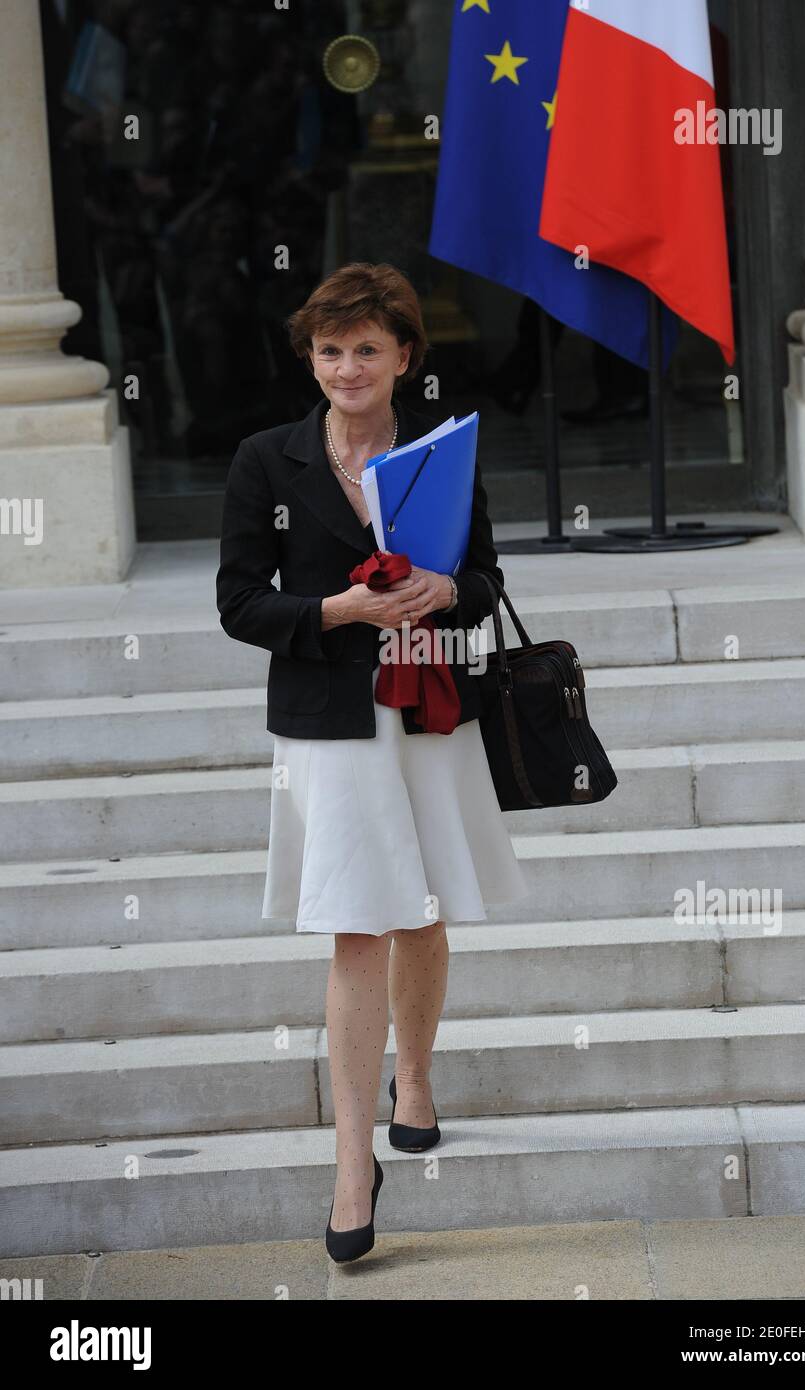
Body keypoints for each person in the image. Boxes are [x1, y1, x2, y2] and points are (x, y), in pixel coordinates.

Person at [216, 261, 528, 1262]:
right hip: (328, 720)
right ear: (309, 358)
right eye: (327, 349)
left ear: (403, 356)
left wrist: (442, 592)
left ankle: (419, 1079)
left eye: (364, 348)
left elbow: (483, 582)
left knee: (423, 911)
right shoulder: (265, 460)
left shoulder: (442, 456)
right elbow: (237, 602)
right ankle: (355, 1163)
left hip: (431, 701)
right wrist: (334, 611)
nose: (345, 367)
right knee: (355, 927)